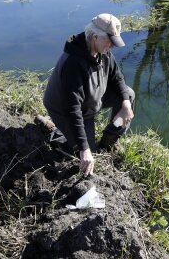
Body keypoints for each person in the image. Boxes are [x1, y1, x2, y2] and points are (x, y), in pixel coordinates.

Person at [43, 13, 135, 176]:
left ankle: (110, 138)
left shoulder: (103, 50)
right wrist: (84, 149)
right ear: (94, 37)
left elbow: (117, 77)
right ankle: (50, 127)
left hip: (91, 100)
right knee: (86, 154)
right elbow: (72, 110)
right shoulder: (73, 64)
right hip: (66, 110)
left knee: (128, 94)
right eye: (110, 41)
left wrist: (126, 104)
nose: (112, 46)